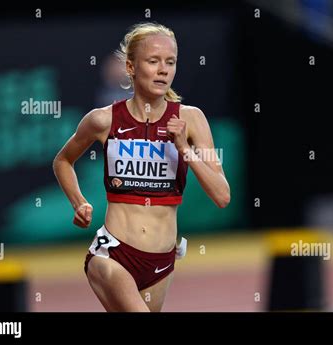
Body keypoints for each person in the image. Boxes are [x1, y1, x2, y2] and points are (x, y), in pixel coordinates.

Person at [52, 22, 230, 312]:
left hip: (162, 260)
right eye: (153, 61)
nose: (163, 70)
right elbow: (63, 160)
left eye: (170, 62)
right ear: (131, 67)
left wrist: (185, 149)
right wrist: (78, 202)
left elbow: (222, 196)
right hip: (112, 253)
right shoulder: (103, 120)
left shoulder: (192, 119)